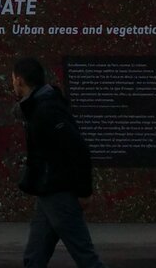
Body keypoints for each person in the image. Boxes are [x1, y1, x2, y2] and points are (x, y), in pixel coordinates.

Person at [13, 57, 105, 268]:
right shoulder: (39, 105)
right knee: (35, 256)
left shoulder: (47, 110)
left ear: (19, 80)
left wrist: (84, 191)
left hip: (58, 191)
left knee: (86, 257)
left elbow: (78, 149)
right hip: (48, 191)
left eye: (12, 79)